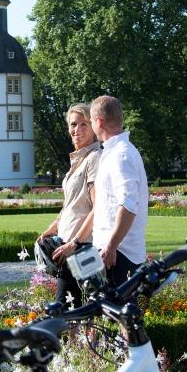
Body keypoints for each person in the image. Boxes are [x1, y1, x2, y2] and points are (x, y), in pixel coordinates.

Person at [64, 95, 148, 286]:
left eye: (90, 121)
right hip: (113, 252)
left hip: (120, 255)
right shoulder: (114, 152)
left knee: (120, 312)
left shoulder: (121, 155)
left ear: (99, 122)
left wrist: (111, 246)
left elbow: (128, 206)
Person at [39, 104, 102, 306]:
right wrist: (53, 226)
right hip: (68, 246)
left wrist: (74, 243)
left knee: (75, 308)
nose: (78, 130)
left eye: (84, 124)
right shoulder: (78, 160)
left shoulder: (94, 158)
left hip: (83, 247)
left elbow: (98, 207)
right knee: (75, 308)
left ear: (93, 127)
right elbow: (71, 205)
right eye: (74, 124)